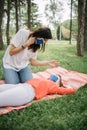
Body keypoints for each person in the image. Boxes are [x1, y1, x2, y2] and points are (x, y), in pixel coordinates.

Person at [0, 75, 76, 107]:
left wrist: (68, 87)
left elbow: (69, 90)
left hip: (27, 92)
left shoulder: (53, 86)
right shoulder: (42, 78)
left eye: (57, 77)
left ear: (58, 83)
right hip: (20, 86)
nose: (54, 75)